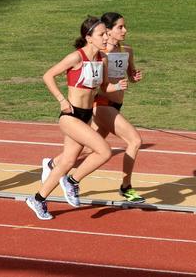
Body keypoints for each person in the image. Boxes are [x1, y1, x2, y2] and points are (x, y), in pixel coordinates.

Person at [26, 16, 128, 220]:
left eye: (106, 34)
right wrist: (61, 100)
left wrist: (117, 86)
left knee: (67, 161)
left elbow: (104, 87)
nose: (106, 37)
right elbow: (48, 75)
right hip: (70, 115)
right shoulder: (76, 57)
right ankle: (72, 181)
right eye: (102, 34)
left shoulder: (102, 59)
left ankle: (38, 198)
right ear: (89, 37)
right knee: (104, 151)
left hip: (86, 115)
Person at [41, 12, 145, 203]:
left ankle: (53, 164)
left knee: (89, 150)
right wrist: (63, 100)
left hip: (116, 104)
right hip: (101, 105)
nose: (125, 30)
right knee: (134, 141)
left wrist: (134, 77)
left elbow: (128, 75)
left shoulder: (126, 51)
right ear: (108, 31)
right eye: (119, 27)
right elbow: (94, 83)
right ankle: (125, 187)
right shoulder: (99, 54)